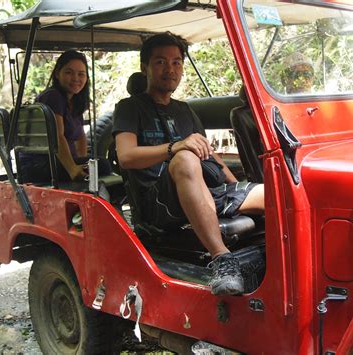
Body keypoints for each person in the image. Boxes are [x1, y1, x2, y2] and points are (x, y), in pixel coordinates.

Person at [113, 32, 265, 296]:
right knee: (184, 157)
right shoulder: (129, 107)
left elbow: (210, 154)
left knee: (276, 196)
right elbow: (126, 156)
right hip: (159, 201)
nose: (170, 69)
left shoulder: (184, 110)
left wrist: (235, 183)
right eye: (160, 62)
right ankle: (222, 261)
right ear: (145, 67)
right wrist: (175, 147)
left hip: (202, 191)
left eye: (176, 62)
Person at [19, 50, 111, 183]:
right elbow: (57, 136)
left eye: (81, 74)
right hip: (39, 165)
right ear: (57, 74)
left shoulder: (74, 101)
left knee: (97, 164)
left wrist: (83, 161)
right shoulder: (52, 97)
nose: (76, 78)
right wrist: (73, 169)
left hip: (57, 163)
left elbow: (80, 137)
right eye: (69, 72)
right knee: (103, 165)